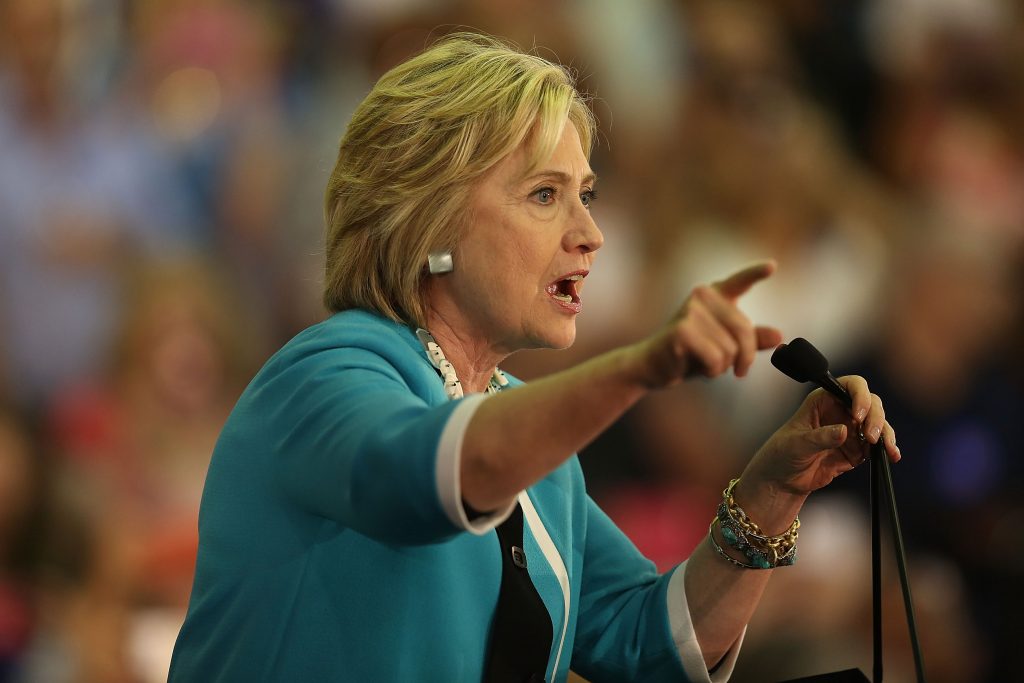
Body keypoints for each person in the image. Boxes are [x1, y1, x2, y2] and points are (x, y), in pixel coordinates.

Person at [168, 32, 899, 682]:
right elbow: (439, 477)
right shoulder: (324, 373)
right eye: (545, 194)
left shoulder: (539, 455)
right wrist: (639, 365)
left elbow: (653, 644)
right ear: (428, 220)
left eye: (587, 194)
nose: (591, 233)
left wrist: (773, 488)